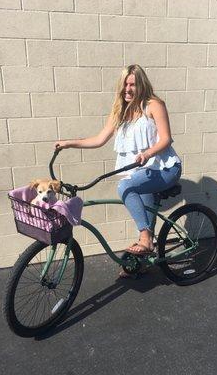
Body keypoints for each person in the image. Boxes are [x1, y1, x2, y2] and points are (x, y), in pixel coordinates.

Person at [55, 64, 182, 277]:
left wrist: (148, 153)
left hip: (164, 168)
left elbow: (166, 138)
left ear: (141, 84)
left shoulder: (154, 105)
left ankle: (145, 238)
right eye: (125, 84)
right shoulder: (120, 111)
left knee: (124, 186)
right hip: (141, 172)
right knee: (145, 219)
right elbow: (99, 139)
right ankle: (142, 257)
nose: (128, 89)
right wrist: (69, 143)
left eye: (132, 84)